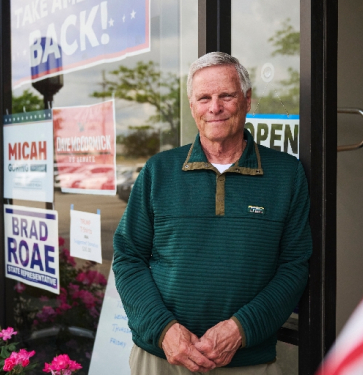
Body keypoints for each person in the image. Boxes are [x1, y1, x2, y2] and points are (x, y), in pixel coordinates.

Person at [113, 52, 312, 374]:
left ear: (247, 101)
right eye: (203, 98)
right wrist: (164, 330)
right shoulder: (158, 171)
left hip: (248, 361)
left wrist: (240, 329)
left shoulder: (286, 175)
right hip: (162, 358)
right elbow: (128, 257)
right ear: (192, 107)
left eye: (226, 96)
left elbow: (294, 266)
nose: (214, 107)